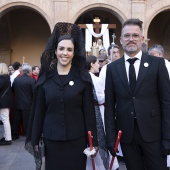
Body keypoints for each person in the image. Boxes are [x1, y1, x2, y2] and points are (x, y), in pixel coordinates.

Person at [25, 22, 98, 170]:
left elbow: (89, 113)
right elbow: (39, 111)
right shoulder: (45, 79)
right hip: (52, 140)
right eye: (61, 49)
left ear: (74, 53)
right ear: (55, 51)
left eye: (69, 49)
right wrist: (35, 138)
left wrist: (93, 141)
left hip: (77, 140)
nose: (65, 53)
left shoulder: (83, 79)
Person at [104, 18, 170, 170]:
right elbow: (109, 106)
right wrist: (111, 138)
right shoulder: (112, 68)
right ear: (121, 40)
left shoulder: (157, 64)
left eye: (135, 35)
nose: (131, 39)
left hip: (154, 134)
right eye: (127, 36)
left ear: (142, 39)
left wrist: (168, 137)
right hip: (127, 136)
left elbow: (166, 102)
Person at [86, 56, 119, 170]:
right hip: (99, 111)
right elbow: (100, 98)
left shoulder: (86, 77)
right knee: (101, 137)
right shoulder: (94, 79)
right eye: (96, 63)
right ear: (91, 64)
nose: (99, 65)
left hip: (90, 111)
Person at [11, 63, 36, 140]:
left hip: (17, 103)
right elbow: (34, 92)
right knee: (27, 121)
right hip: (27, 104)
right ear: (29, 71)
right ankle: (28, 135)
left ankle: (14, 135)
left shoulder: (16, 79)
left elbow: (13, 90)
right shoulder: (32, 80)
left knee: (15, 121)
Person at [0, 63, 12, 145]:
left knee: (5, 120)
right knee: (6, 119)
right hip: (6, 101)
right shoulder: (7, 77)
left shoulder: (2, 78)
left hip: (3, 102)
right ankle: (6, 136)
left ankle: (8, 139)